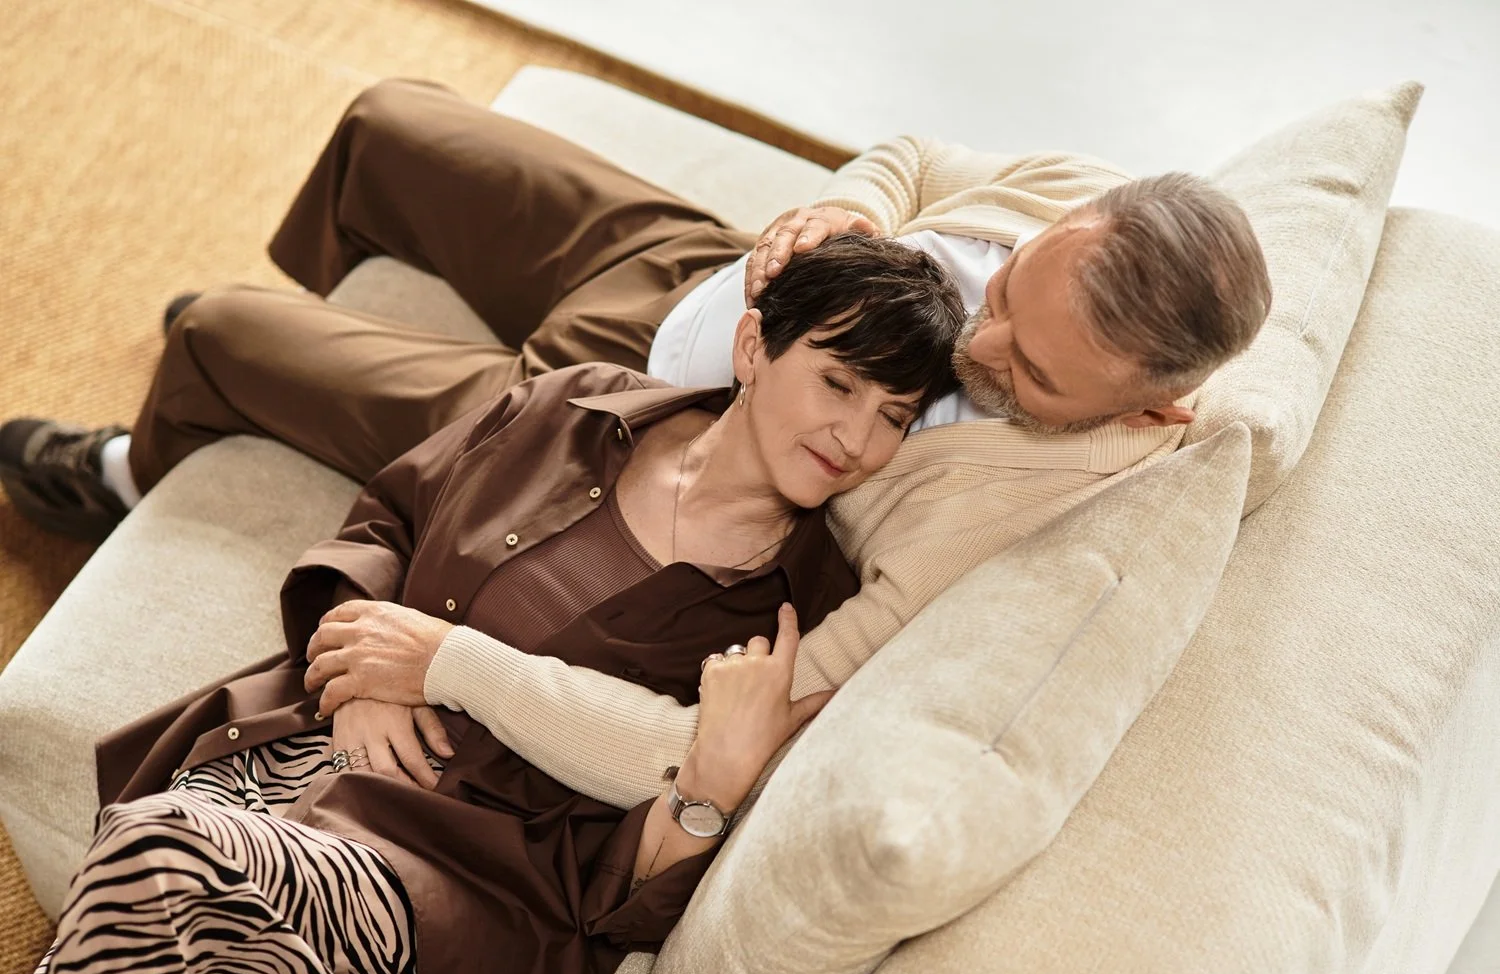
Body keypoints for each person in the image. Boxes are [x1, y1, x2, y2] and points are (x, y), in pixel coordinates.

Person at [1, 81, 1272, 816]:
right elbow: (924, 156)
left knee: (223, 334)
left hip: (607, 425)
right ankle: (266, 366)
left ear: (1147, 412)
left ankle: (137, 460)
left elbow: (757, 712)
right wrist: (850, 210)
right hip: (702, 276)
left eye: (1029, 370)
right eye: (1006, 293)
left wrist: (459, 664)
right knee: (388, 125)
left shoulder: (1014, 514)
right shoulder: (1082, 214)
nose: (979, 337)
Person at [20, 234, 967, 974]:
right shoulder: (577, 405)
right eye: (838, 382)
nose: (855, 437)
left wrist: (707, 796)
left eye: (894, 414)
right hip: (298, 747)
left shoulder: (806, 609)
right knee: (173, 929)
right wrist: (356, 673)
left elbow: (640, 881)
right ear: (755, 345)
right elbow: (390, 519)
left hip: (453, 881)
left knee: (162, 854)